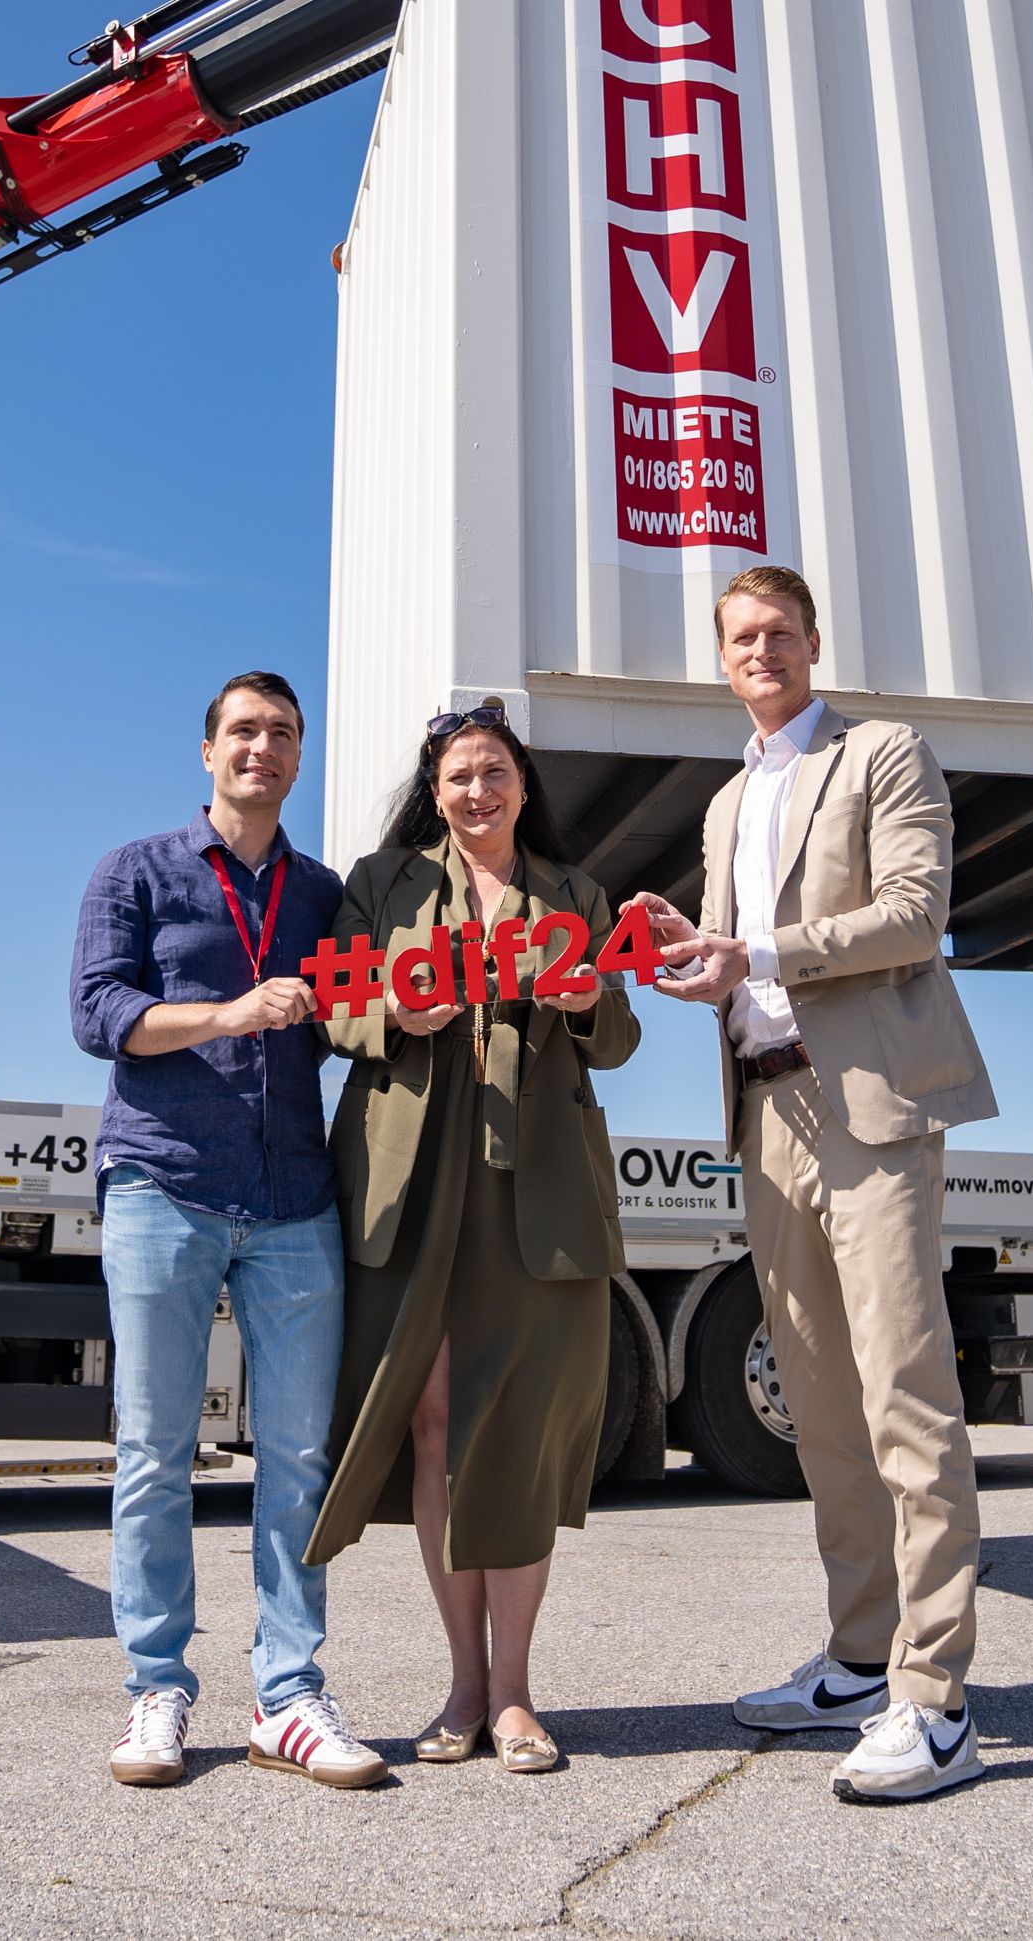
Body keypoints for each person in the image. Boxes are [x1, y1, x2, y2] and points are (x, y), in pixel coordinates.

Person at [634, 565, 996, 1804]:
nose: (760, 651)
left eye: (778, 632)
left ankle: (935, 1697)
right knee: (819, 1402)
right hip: (766, 1108)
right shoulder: (727, 802)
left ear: (810, 642)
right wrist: (679, 954)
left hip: (870, 1104)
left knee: (905, 1390)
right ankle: (857, 1655)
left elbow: (913, 913)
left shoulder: (883, 753)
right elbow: (727, 961)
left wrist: (759, 949)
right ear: (721, 656)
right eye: (740, 637)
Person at [305, 700, 641, 1775]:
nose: (477, 792)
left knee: (521, 1431)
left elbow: (619, 1036)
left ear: (522, 784)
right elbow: (326, 1005)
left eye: (493, 772)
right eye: (458, 776)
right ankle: (459, 1682)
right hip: (414, 1171)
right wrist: (386, 1019)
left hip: (536, 1181)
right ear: (434, 789)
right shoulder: (380, 883)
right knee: (439, 1420)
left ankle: (515, 1693)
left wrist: (587, 999)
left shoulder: (573, 893)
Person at [68, 671, 385, 1792]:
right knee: (156, 1453)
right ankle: (157, 1687)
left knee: (296, 1459)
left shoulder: (323, 890)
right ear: (207, 750)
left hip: (294, 1194)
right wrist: (231, 1012)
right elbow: (97, 1014)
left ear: (299, 756)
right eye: (244, 730)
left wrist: (397, 1011)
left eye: (283, 733)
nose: (263, 747)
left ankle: (288, 1695)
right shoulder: (136, 871)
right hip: (163, 1182)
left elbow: (352, 1013)